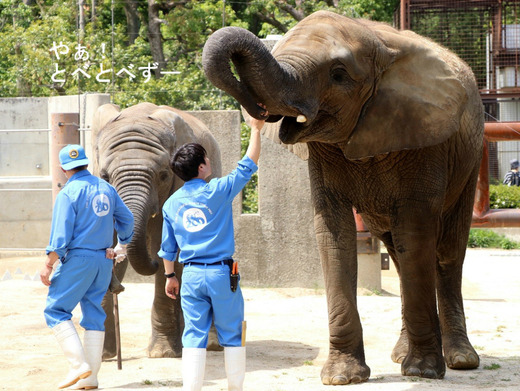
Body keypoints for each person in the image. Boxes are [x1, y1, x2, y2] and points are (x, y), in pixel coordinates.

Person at [158, 106, 268, 391]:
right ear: (203, 167)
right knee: (232, 332)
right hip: (222, 274)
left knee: (193, 334)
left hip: (191, 275)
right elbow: (248, 164)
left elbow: (168, 249)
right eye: (206, 158)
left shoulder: (171, 204)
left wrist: (171, 277)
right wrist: (256, 129)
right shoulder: (218, 190)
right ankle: (235, 388)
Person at [40, 144, 134, 390]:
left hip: (78, 259)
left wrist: (48, 264)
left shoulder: (68, 193)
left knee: (56, 310)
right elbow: (128, 219)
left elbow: (60, 238)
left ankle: (78, 365)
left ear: (63, 169)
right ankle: (91, 380)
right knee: (94, 313)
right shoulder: (107, 188)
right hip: (103, 260)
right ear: (86, 163)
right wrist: (121, 245)